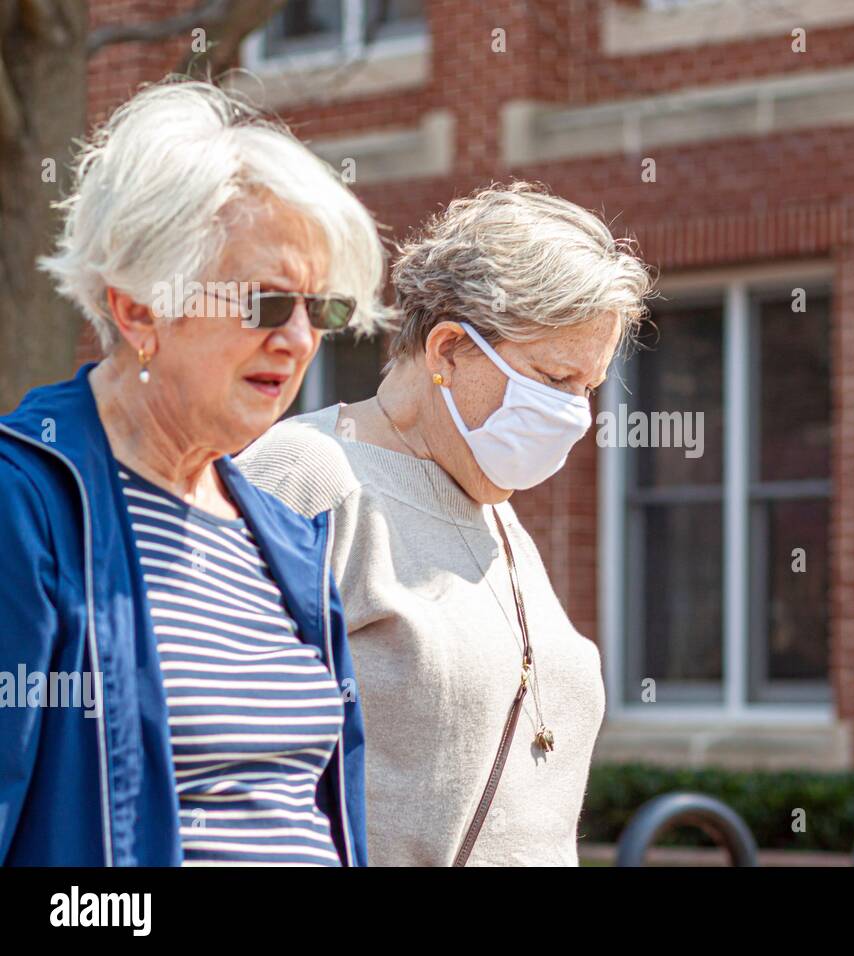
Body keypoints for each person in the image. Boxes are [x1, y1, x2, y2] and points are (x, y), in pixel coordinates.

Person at [0, 79, 392, 865]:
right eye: (267, 304)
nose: (299, 339)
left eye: (324, 310)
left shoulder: (287, 540)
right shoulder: (25, 503)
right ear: (139, 308)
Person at [237, 182, 652, 865]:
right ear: (448, 349)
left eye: (588, 387)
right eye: (553, 378)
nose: (575, 413)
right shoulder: (305, 475)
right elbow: (206, 768)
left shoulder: (498, 514)